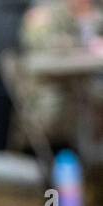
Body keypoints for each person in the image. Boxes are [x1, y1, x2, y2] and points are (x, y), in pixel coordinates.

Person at [19, 0, 103, 149]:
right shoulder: (49, 10)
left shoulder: (96, 10)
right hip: (54, 87)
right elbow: (37, 45)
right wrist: (75, 44)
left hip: (88, 84)